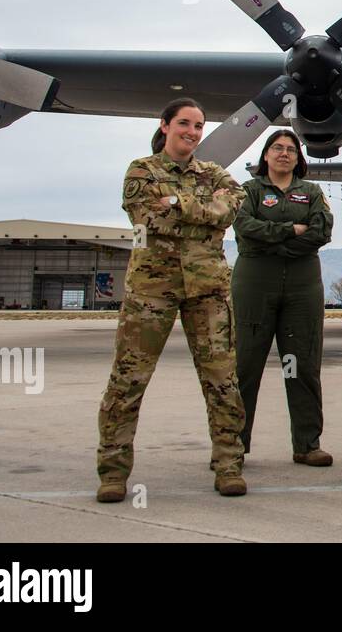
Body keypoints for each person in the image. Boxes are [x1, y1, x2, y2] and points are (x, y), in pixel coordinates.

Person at [96, 98, 247, 501]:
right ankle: (112, 471)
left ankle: (229, 464)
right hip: (151, 290)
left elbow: (230, 210)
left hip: (208, 290)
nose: (193, 132)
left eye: (199, 126)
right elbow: (146, 218)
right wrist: (201, 213)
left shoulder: (216, 173)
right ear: (165, 126)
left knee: (222, 379)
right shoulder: (142, 170)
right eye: (184, 123)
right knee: (128, 380)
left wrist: (178, 203)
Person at [231, 129, 334, 467]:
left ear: (298, 158)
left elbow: (322, 232)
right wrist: (291, 230)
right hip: (256, 282)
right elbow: (244, 227)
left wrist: (274, 239)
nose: (284, 154)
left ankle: (307, 443)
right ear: (265, 155)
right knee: (246, 364)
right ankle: (233, 444)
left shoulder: (312, 192)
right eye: (277, 148)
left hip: (302, 286)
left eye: (291, 149)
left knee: (302, 364)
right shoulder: (248, 190)